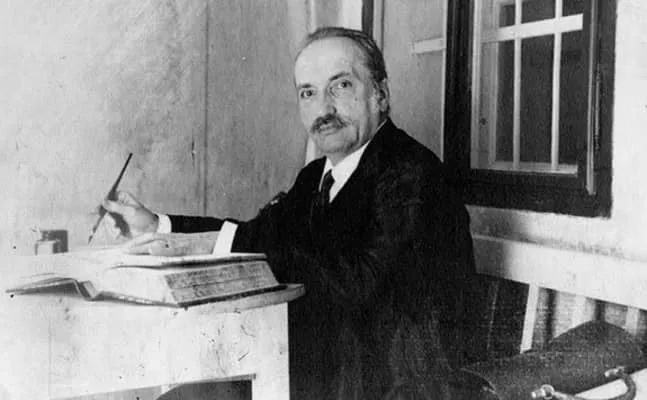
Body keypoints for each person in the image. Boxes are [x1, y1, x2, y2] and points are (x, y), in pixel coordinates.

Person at [105, 26, 475, 400]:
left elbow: (359, 284)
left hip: (391, 387)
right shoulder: (317, 176)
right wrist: (160, 226)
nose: (324, 109)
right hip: (315, 371)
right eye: (308, 93)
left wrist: (212, 244)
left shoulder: (413, 174)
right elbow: (259, 233)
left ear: (381, 94)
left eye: (341, 85)